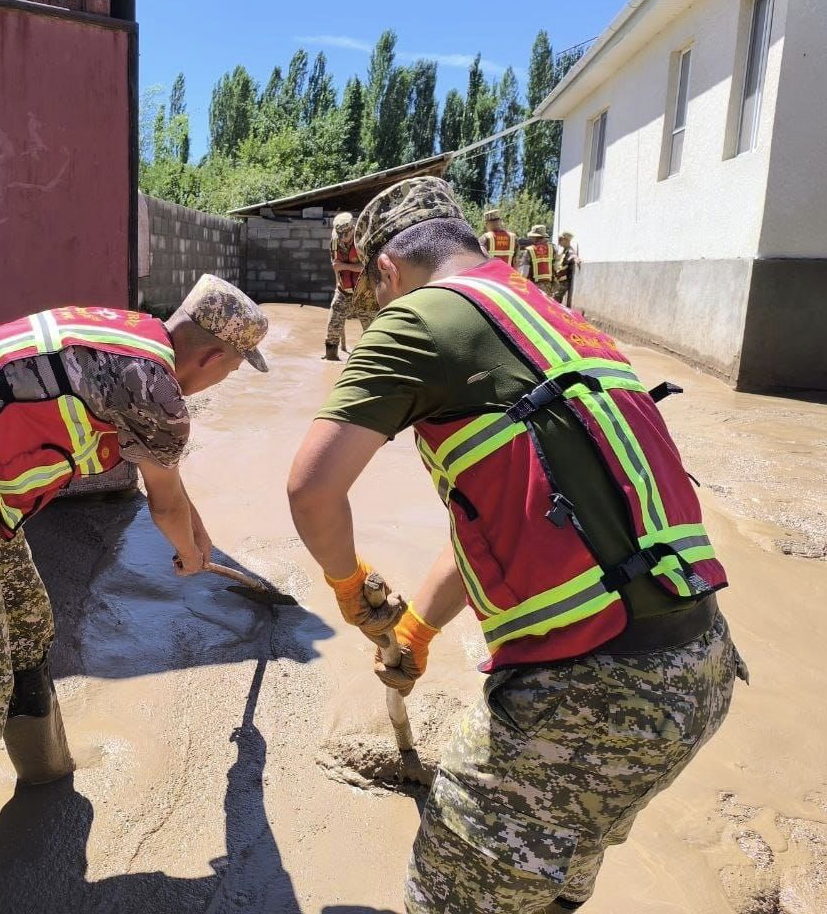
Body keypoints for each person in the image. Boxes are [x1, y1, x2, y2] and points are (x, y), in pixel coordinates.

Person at [286, 176, 744, 913]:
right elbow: (517, 519)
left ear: (385, 272)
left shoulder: (419, 320)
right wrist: (416, 628)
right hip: (697, 673)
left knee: (448, 900)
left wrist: (350, 586)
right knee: (549, 877)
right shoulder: (563, 322)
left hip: (588, 695)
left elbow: (311, 491)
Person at [0, 274, 269, 911]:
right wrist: (191, 552)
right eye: (230, 371)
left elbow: (167, 491)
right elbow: (166, 502)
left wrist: (200, 544)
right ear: (213, 358)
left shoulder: (136, 341)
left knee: (29, 624)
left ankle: (45, 773)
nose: (221, 381)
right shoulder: (158, 391)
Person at [324, 211, 376, 361]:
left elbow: (366, 267)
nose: (342, 239)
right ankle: (331, 358)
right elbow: (336, 265)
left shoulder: (363, 242)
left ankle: (371, 360)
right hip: (343, 290)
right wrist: (339, 267)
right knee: (333, 327)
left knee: (371, 330)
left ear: (352, 229)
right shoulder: (335, 242)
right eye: (339, 235)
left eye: (345, 235)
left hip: (365, 292)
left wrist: (343, 266)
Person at [521, 223, 557, 296]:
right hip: (549, 286)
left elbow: (524, 272)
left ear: (535, 237)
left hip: (534, 286)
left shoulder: (529, 250)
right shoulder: (552, 249)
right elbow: (556, 267)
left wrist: (521, 285)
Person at [556, 230, 580, 306]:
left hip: (564, 281)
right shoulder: (563, 251)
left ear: (566, 240)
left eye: (560, 240)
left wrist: (577, 259)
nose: (559, 242)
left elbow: (573, 255)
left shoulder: (569, 251)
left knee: (555, 299)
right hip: (559, 280)